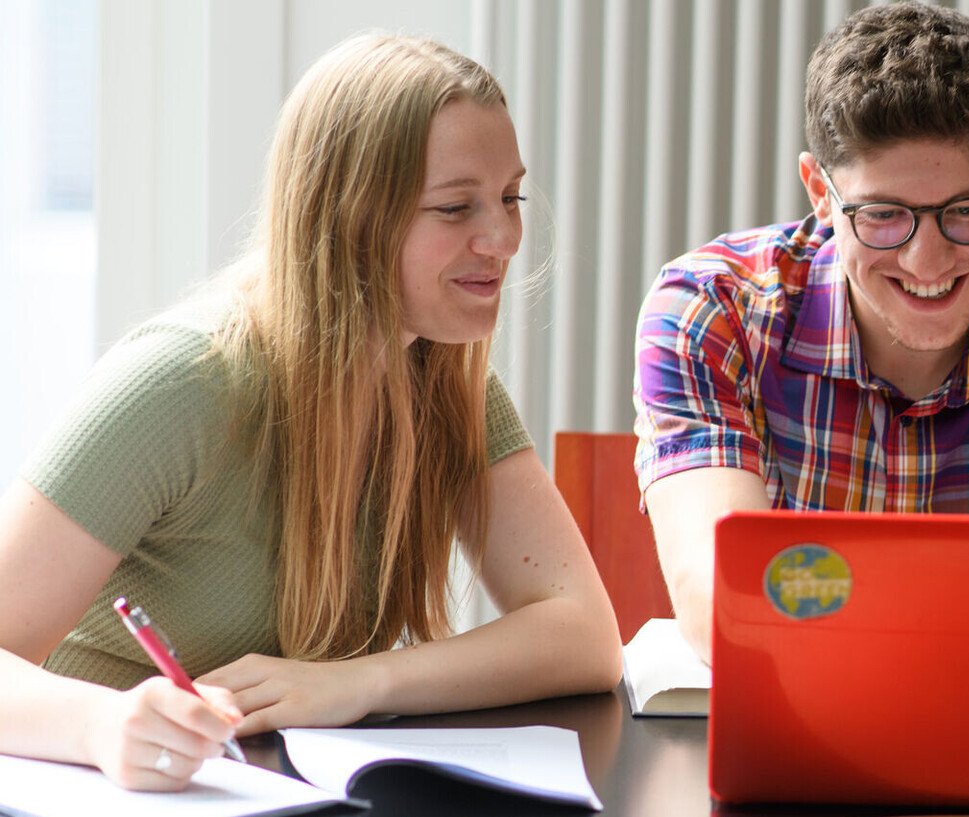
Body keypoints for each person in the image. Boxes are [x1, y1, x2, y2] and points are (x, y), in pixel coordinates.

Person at [0, 34, 622, 791]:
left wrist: (357, 681)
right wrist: (100, 725)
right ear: (349, 213)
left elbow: (585, 633)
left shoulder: (442, 377)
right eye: (457, 206)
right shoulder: (181, 383)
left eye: (510, 196)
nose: (503, 238)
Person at [634, 1, 969, 662]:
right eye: (885, 215)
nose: (928, 262)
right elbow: (720, 601)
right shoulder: (708, 314)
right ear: (819, 190)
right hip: (798, 739)